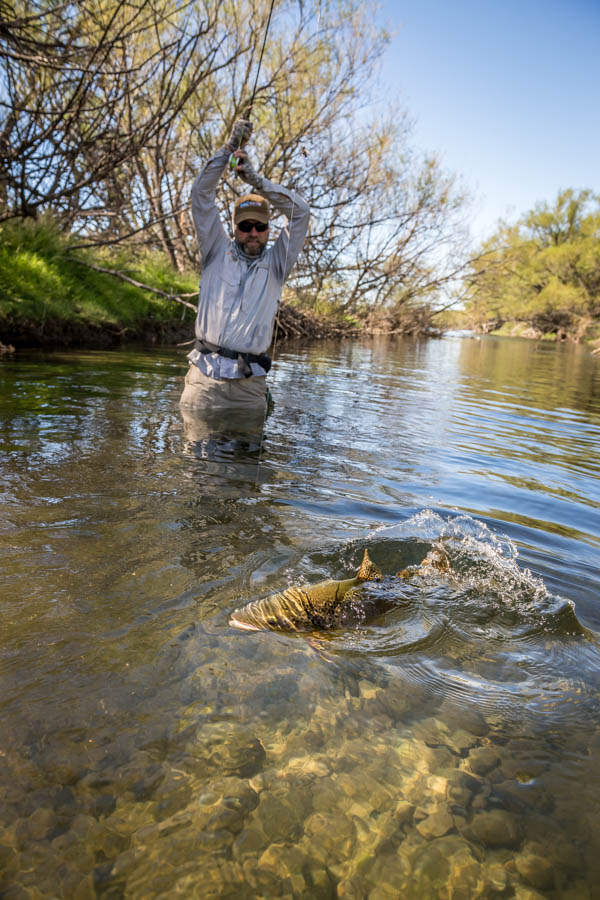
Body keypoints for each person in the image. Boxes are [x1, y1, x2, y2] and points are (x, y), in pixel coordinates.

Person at [179, 118, 310, 414]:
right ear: (235, 226)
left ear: (268, 228)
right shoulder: (215, 248)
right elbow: (201, 194)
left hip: (248, 392)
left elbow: (301, 213)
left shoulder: (278, 263)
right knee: (194, 462)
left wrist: (257, 182)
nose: (253, 232)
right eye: (245, 225)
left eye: (260, 226)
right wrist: (228, 148)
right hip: (201, 385)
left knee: (245, 462)